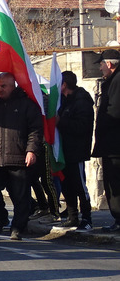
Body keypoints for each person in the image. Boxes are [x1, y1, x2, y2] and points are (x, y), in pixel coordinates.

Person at [0, 72, 43, 240]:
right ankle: (0, 219)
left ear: (13, 86)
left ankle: (18, 227)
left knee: (21, 196)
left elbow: (35, 130)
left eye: (3, 86)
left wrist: (31, 150)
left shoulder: (27, 105)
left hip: (18, 157)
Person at [57, 71, 94, 230]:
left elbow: (82, 127)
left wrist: (61, 121)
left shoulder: (81, 101)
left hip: (76, 151)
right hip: (64, 151)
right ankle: (73, 216)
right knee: (66, 185)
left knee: (79, 185)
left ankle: (87, 218)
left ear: (64, 85)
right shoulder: (63, 101)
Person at [92, 49, 120, 232]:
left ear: (109, 64)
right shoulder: (111, 81)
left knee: (115, 183)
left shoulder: (116, 81)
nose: (100, 68)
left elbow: (114, 111)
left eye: (101, 64)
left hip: (115, 145)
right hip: (111, 144)